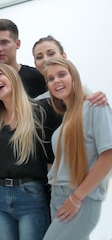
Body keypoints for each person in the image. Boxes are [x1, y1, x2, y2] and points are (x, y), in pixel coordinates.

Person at [0, 63, 62, 240]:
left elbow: (74, 108)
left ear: (12, 77)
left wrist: (93, 97)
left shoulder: (42, 110)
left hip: (32, 195)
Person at [42, 57, 112, 240]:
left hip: (79, 198)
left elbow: (109, 155)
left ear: (74, 77)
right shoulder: (67, 117)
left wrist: (76, 197)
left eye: (62, 74)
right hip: (59, 195)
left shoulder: (94, 107)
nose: (56, 80)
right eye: (50, 79)